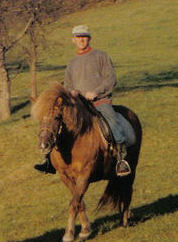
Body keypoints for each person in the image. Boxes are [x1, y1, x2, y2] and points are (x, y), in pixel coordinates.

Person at [34, 24, 131, 177]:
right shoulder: (71, 64)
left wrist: (96, 92)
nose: (81, 40)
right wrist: (71, 92)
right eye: (78, 37)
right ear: (73, 40)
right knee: (55, 123)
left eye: (84, 37)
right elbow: (68, 85)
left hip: (100, 101)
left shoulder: (101, 56)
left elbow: (110, 78)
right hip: (78, 104)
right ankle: (48, 160)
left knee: (111, 119)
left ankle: (121, 158)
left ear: (89, 39)